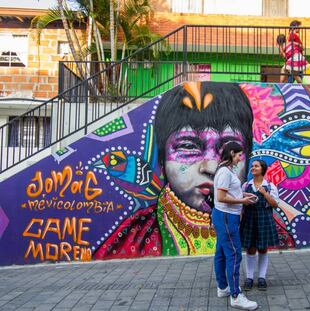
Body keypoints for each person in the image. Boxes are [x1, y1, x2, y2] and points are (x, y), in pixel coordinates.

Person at [93, 81, 254, 259]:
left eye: (230, 152)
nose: (211, 167)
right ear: (162, 162)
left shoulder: (260, 225)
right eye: (187, 146)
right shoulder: (133, 239)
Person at [213, 141, 258, 310]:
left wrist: (243, 194)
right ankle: (236, 296)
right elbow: (221, 197)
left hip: (223, 216)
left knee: (222, 253)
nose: (240, 159)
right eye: (239, 155)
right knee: (234, 254)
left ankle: (223, 287)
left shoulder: (223, 169)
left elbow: (227, 192)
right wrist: (242, 201)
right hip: (227, 217)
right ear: (232, 153)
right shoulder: (225, 172)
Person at [240, 160, 280, 291]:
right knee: (250, 249)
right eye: (252, 166)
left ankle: (262, 278)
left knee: (263, 249)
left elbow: (274, 204)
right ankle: (249, 278)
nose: (253, 168)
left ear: (262, 169)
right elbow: (240, 203)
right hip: (249, 219)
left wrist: (264, 193)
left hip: (264, 219)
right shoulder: (246, 186)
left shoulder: (270, 186)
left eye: (256, 166)